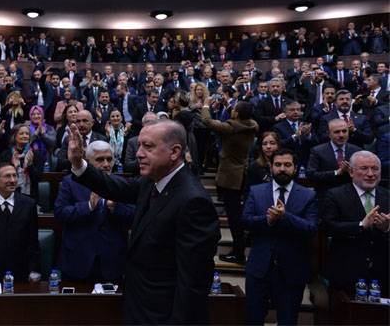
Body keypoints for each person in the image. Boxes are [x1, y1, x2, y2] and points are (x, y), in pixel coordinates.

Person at [67, 119, 220, 324]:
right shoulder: (154, 179)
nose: (138, 153)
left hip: (162, 315)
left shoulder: (193, 201)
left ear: (174, 152)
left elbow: (192, 282)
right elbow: (118, 188)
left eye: (148, 146)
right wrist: (79, 164)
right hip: (139, 305)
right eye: (139, 145)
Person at [243, 149, 318, 325]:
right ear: (271, 167)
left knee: (288, 320)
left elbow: (311, 228)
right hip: (259, 268)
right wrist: (267, 220)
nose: (282, 169)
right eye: (278, 165)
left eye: (287, 165)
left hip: (292, 269)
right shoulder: (257, 191)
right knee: (253, 319)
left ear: (295, 168)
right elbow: (245, 221)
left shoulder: (308, 194)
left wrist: (285, 218)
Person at [54, 141, 134, 282]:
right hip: (78, 260)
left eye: (109, 159)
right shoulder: (70, 182)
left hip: (112, 262)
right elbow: (60, 213)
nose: (106, 164)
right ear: (88, 162)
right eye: (100, 160)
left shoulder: (121, 183)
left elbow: (135, 216)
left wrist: (116, 208)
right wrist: (88, 206)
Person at [322, 151, 389, 297]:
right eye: (364, 168)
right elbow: (328, 227)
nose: (370, 174)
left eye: (375, 169)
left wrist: (387, 228)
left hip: (383, 274)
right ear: (351, 172)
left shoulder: (388, 196)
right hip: (346, 272)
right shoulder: (335, 195)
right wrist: (360, 225)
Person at [202, 99, 259, 264]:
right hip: (242, 174)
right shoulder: (252, 125)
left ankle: (239, 253)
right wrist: (228, 106)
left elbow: (206, 121)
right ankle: (238, 248)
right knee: (237, 215)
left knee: (234, 218)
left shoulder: (231, 128)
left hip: (230, 177)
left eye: (234, 109)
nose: (232, 110)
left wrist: (206, 105)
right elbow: (241, 116)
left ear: (237, 114)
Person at [307, 119, 360, 206]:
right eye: (337, 132)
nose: (341, 135)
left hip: (351, 199)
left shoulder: (356, 151)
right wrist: (336, 172)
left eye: (344, 131)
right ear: (329, 134)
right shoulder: (317, 151)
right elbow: (311, 175)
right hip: (326, 199)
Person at [0, 123, 42, 200]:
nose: (25, 136)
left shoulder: (35, 154)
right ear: (14, 136)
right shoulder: (6, 154)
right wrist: (13, 167)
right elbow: (2, 177)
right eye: (21, 134)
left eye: (27, 134)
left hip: (30, 195)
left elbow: (37, 178)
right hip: (9, 195)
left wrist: (30, 165)